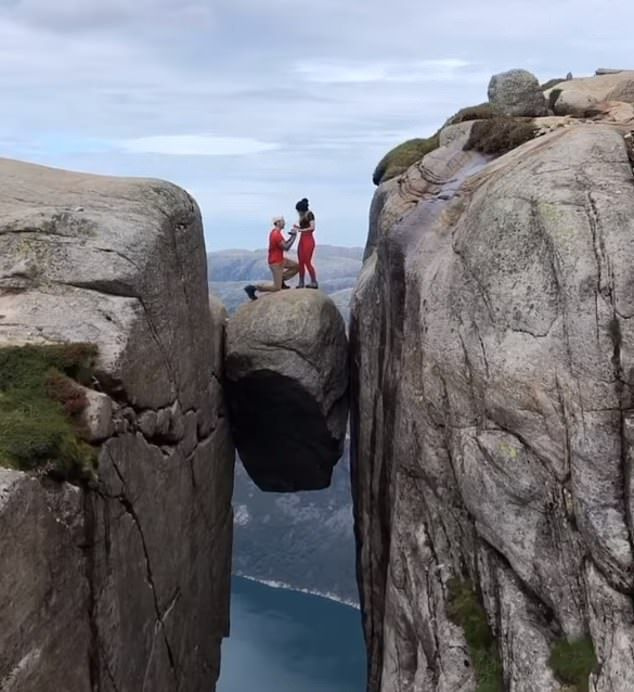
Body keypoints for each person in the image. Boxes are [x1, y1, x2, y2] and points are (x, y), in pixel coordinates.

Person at [244, 216, 299, 300]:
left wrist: (292, 236)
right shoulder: (276, 235)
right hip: (275, 263)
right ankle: (253, 288)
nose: (284, 223)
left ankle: (281, 281)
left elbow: (284, 244)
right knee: (276, 288)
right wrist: (294, 236)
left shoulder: (276, 233)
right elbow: (286, 247)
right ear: (277, 223)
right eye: (282, 221)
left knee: (296, 266)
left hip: (280, 260)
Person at [293, 198, 318, 289]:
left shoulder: (309, 214)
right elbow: (304, 226)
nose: (298, 212)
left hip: (308, 239)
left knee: (307, 262)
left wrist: (300, 230)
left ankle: (314, 282)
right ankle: (301, 282)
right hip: (302, 239)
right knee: (301, 262)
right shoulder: (302, 215)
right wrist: (298, 227)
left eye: (299, 211)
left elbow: (312, 227)